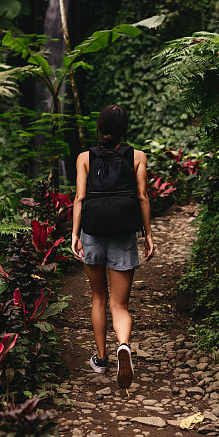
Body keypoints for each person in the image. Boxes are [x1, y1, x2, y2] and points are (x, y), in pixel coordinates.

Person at [71, 104, 154, 389]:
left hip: (92, 232)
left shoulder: (84, 157)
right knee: (119, 304)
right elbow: (142, 197)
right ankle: (123, 346)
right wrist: (149, 234)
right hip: (123, 233)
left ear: (100, 126)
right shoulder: (138, 156)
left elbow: (80, 198)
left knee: (98, 298)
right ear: (124, 128)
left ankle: (102, 358)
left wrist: (74, 234)